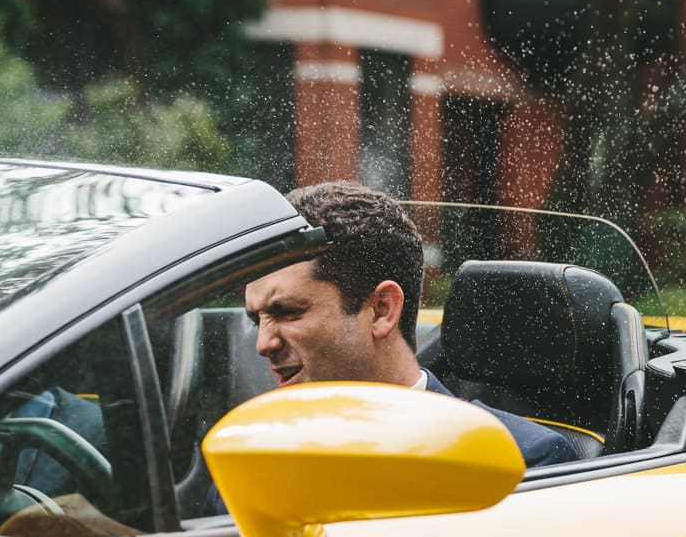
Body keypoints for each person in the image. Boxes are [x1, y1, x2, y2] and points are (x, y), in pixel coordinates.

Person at [244, 181, 579, 469]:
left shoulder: (516, 459)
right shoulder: (251, 459)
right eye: (257, 319)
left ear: (381, 310)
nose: (263, 344)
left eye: (287, 312)